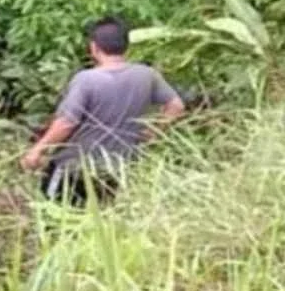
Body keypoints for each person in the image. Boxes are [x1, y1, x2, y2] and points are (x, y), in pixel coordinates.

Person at [20, 16, 186, 206]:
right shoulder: (146, 75)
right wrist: (152, 133)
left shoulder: (87, 79)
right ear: (127, 47)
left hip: (74, 169)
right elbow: (176, 106)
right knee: (102, 219)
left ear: (94, 47)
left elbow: (67, 122)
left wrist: (37, 150)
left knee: (55, 218)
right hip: (117, 168)